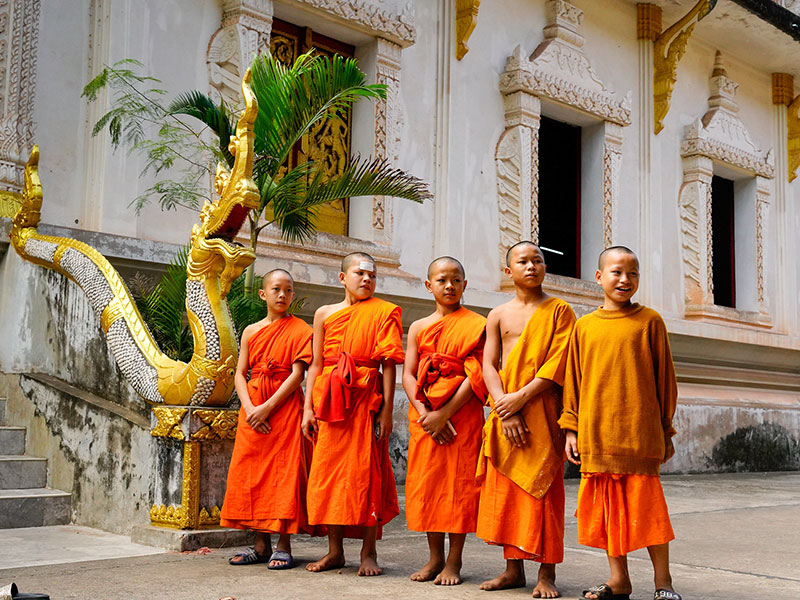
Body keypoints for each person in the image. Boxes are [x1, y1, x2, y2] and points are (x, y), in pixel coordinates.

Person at [560, 246, 680, 600]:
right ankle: (619, 580)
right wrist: (571, 429)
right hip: (597, 436)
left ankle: (664, 583)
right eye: (616, 272)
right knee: (607, 513)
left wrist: (665, 429)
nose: (625, 280)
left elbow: (665, 381)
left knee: (650, 512)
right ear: (599, 277)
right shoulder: (584, 327)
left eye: (633, 274)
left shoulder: (650, 322)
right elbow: (574, 382)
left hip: (639, 435)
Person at [476, 241, 576, 598]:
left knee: (544, 491)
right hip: (506, 410)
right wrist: (503, 405)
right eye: (523, 261)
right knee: (508, 491)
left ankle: (546, 574)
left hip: (541, 409)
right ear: (509, 271)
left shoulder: (560, 310)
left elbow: (558, 363)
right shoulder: (498, 314)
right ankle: (512, 569)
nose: (532, 266)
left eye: (538, 260)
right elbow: (488, 363)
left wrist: (519, 400)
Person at [301, 252, 404, 576]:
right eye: (359, 274)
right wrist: (308, 409)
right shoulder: (324, 314)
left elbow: (388, 364)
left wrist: (387, 410)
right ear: (342, 277)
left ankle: (368, 552)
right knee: (329, 477)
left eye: (372, 275)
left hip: (365, 403)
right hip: (330, 402)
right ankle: (334, 552)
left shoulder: (385, 312)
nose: (367, 280)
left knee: (366, 476)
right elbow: (316, 363)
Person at [403, 256, 488, 586]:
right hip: (425, 416)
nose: (449, 285)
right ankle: (434, 557)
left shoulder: (477, 324)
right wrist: (427, 415)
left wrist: (444, 414)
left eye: (456, 280)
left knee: (459, 487)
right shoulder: (419, 327)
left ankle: (454, 561)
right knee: (429, 485)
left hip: (460, 417)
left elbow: (476, 374)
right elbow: (409, 375)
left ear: (464, 285)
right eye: (441, 280)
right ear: (429, 285)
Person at [222, 269, 313, 570]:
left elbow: (298, 374)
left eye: (288, 290)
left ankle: (284, 544)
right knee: (251, 474)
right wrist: (250, 408)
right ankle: (261, 544)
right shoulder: (250, 330)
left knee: (284, 474)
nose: (283, 295)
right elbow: (239, 373)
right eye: (276, 289)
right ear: (263, 294)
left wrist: (268, 408)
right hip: (252, 405)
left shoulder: (301, 329)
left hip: (284, 407)